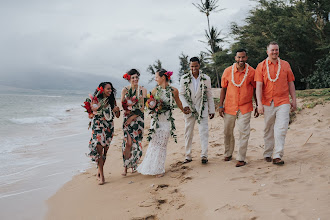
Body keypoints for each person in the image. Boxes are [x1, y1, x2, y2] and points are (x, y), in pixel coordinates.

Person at [255, 41, 297, 165]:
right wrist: (259, 104)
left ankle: (278, 155)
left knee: (282, 127)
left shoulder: (285, 65)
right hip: (267, 102)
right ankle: (268, 152)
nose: (274, 52)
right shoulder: (261, 66)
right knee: (268, 128)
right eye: (272, 50)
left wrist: (293, 100)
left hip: (283, 100)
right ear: (267, 51)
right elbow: (258, 85)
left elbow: (291, 83)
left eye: (276, 50)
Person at [137, 69, 184, 177]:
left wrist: (185, 111)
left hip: (166, 120)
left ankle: (159, 168)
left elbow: (179, 103)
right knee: (154, 143)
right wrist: (151, 108)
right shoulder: (154, 90)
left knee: (162, 145)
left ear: (163, 77)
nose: (155, 79)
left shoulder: (174, 90)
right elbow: (150, 104)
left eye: (157, 77)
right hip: (156, 120)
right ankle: (150, 166)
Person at [219, 49, 259, 167]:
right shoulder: (227, 71)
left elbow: (255, 89)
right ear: (235, 58)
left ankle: (241, 158)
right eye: (239, 58)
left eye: (243, 57)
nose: (241, 60)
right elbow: (223, 89)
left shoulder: (252, 72)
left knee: (243, 132)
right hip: (229, 107)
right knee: (227, 131)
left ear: (246, 58)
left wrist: (257, 105)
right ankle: (228, 153)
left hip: (245, 107)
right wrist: (220, 105)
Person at [179, 57, 215, 164]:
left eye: (196, 66)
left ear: (199, 65)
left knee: (203, 132)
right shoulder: (184, 78)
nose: (194, 68)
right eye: (192, 66)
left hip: (202, 109)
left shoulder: (206, 78)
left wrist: (211, 110)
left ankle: (204, 155)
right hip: (189, 110)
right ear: (189, 66)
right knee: (188, 133)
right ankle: (188, 155)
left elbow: (209, 95)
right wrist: (185, 106)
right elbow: (181, 94)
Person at [88, 82, 120, 185]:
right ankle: (102, 176)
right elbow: (91, 115)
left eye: (111, 89)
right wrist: (93, 111)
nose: (110, 91)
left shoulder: (112, 100)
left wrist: (117, 110)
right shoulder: (95, 100)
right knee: (99, 149)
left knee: (105, 152)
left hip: (109, 127)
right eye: (108, 89)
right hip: (98, 126)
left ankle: (99, 171)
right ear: (102, 90)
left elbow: (118, 115)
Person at [121, 69, 147, 176]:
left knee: (137, 143)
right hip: (127, 119)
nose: (135, 79)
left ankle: (134, 165)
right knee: (128, 143)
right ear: (129, 79)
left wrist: (133, 117)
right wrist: (129, 114)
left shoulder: (143, 90)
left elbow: (142, 107)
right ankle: (125, 166)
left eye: (137, 77)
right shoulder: (125, 90)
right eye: (133, 78)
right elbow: (123, 105)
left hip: (138, 119)